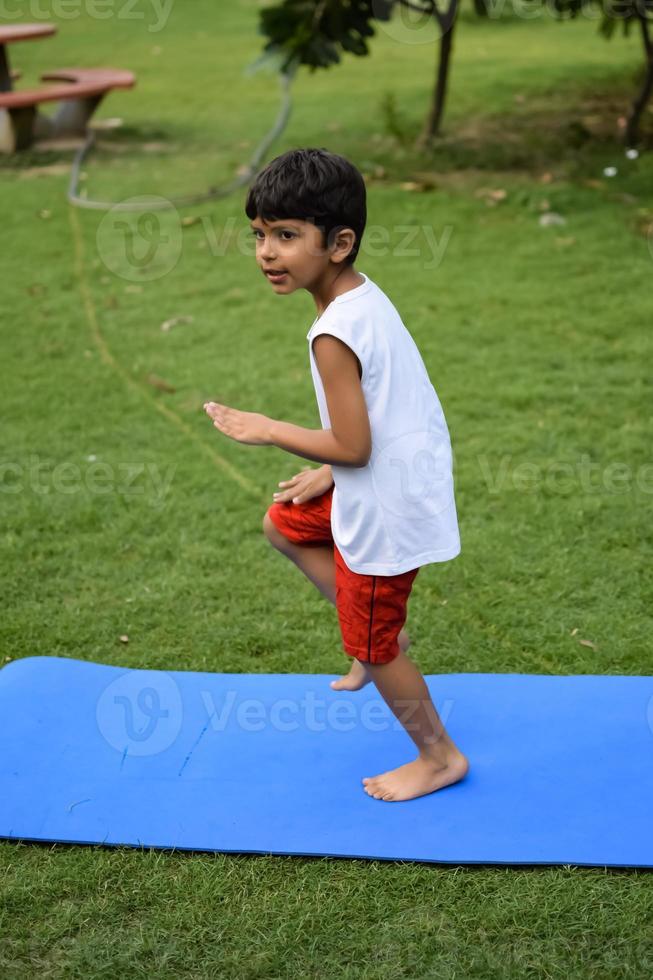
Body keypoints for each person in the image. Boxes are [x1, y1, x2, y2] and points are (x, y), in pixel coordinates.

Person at [204, 147, 469, 802]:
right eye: (259, 235)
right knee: (284, 524)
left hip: (389, 502)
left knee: (376, 649)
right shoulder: (356, 298)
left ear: (340, 242)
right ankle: (374, 628)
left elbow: (354, 444)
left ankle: (437, 755)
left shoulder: (335, 332)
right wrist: (326, 467)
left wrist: (265, 428)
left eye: (286, 235)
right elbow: (384, 413)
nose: (266, 252)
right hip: (391, 473)